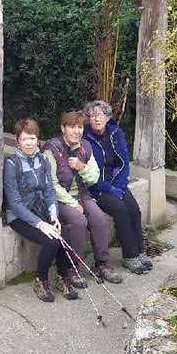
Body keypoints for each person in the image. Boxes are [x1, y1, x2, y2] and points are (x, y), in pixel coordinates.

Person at [43, 111, 122, 285]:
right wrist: (72, 203)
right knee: (78, 221)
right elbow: (51, 184)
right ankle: (72, 267)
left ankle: (102, 264)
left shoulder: (85, 146)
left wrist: (81, 167)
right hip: (59, 199)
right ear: (63, 128)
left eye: (79, 127)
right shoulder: (52, 149)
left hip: (82, 195)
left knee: (99, 219)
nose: (76, 131)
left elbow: (94, 176)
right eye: (72, 127)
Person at [3, 118, 76, 302]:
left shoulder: (43, 159)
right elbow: (14, 203)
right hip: (20, 215)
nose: (29, 143)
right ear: (18, 141)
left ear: (38, 139)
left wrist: (53, 215)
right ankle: (41, 281)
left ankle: (62, 277)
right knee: (51, 241)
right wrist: (41, 224)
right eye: (24, 139)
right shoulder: (12, 164)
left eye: (32, 138)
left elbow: (49, 190)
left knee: (65, 233)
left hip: (41, 209)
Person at [83, 100, 152, 275]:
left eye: (100, 115)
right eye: (93, 115)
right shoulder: (84, 139)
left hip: (117, 183)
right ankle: (130, 256)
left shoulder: (116, 132)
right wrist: (108, 188)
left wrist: (119, 187)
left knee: (134, 209)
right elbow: (88, 174)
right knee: (120, 209)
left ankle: (139, 251)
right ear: (88, 119)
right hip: (97, 186)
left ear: (107, 117)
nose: (97, 119)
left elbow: (124, 163)